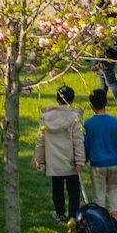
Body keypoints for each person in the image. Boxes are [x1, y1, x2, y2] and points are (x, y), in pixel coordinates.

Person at [33, 85, 85, 223]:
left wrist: (39, 159)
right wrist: (80, 160)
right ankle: (73, 216)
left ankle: (60, 212)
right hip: (71, 160)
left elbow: (41, 140)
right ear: (72, 100)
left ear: (57, 99)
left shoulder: (47, 117)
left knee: (57, 189)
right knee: (73, 190)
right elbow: (78, 141)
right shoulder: (75, 118)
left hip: (54, 160)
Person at [84, 86, 117, 218]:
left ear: (91, 105)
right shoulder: (115, 122)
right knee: (114, 189)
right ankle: (114, 216)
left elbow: (86, 145)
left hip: (98, 164)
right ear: (107, 103)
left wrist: (84, 159)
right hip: (114, 164)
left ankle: (101, 220)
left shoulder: (89, 124)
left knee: (99, 193)